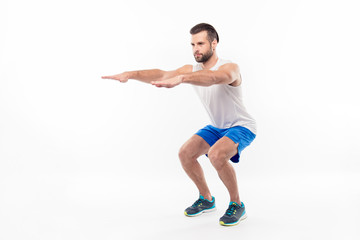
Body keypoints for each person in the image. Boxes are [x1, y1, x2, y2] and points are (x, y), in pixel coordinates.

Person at [102, 23, 257, 226]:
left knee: (217, 155)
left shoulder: (230, 67)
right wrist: (130, 74)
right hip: (217, 126)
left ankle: (237, 204)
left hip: (241, 125)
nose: (196, 49)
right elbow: (162, 74)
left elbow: (213, 78)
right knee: (185, 153)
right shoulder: (191, 69)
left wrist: (182, 78)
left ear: (214, 43)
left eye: (200, 43)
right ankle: (207, 199)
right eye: (192, 44)